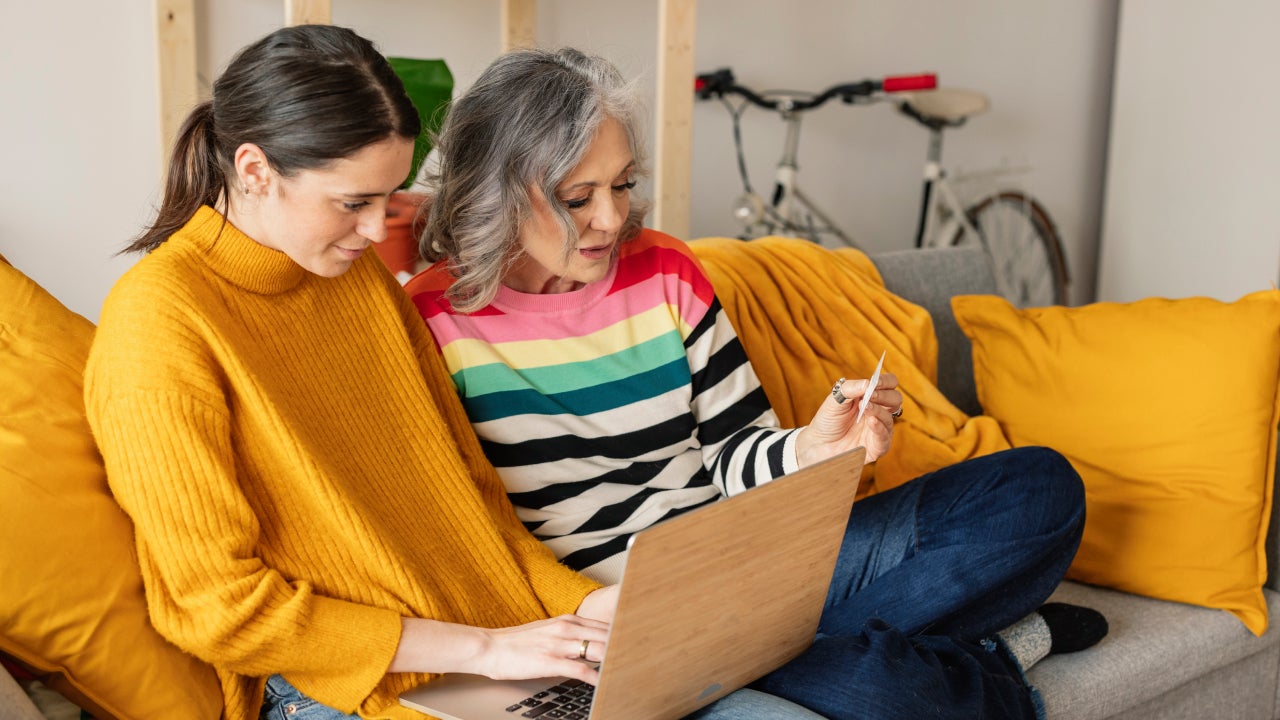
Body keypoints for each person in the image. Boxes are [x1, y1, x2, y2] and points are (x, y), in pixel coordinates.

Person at [84, 26, 820, 720]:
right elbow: (219, 607)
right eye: (354, 203)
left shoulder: (353, 280)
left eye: (391, 199)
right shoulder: (161, 323)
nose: (380, 234)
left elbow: (476, 505)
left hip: (506, 647)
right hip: (352, 691)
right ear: (254, 170)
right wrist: (488, 649)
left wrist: (589, 610)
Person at [406, 47, 1107, 720]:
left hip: (754, 565)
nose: (612, 218)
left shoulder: (665, 272)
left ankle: (797, 653)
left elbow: (733, 452)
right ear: (496, 190)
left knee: (1040, 490)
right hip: (619, 618)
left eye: (621, 184)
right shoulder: (432, 324)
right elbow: (469, 539)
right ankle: (993, 658)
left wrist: (813, 450)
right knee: (886, 698)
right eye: (577, 196)